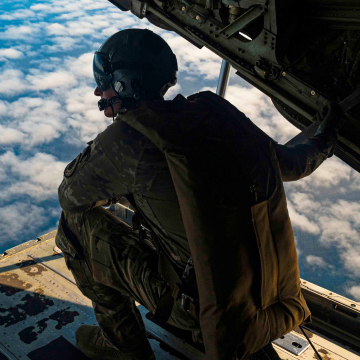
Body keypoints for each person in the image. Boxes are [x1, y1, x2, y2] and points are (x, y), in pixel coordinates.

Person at [55, 28, 341, 360]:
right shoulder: (214, 113)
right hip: (257, 297)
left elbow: (71, 197)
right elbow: (292, 164)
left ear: (123, 84)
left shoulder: (126, 141)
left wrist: (116, 184)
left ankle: (123, 348)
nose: (97, 90)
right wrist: (326, 135)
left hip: (195, 305)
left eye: (104, 81)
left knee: (73, 226)